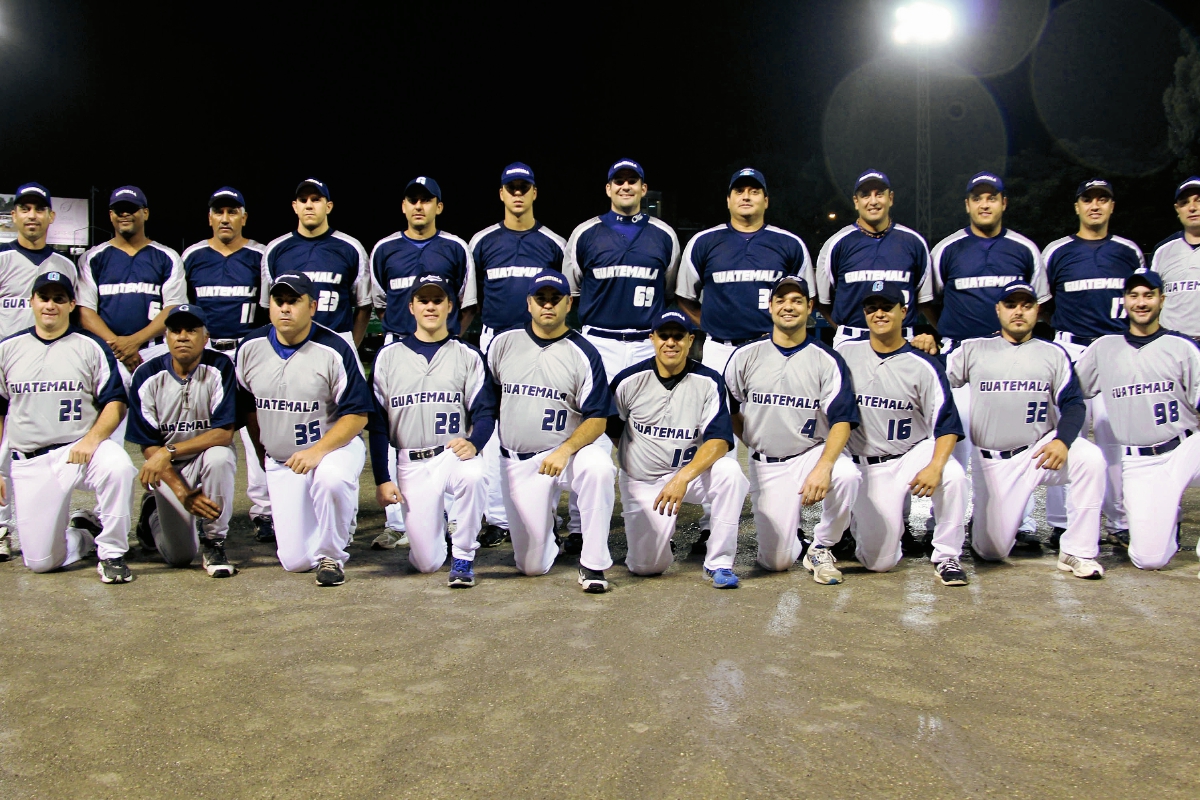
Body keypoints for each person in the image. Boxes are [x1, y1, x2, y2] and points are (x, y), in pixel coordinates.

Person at [675, 168, 813, 551]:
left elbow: (804, 299)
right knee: (715, 433)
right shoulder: (705, 242)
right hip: (720, 348)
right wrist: (714, 322)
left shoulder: (788, 244)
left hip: (770, 349)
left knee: (778, 433)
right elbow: (686, 297)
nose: (747, 197)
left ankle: (789, 518)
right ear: (729, 199)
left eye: (755, 191)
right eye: (740, 191)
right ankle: (710, 522)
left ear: (766, 200)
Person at [947, 281, 1105, 577]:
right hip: (994, 462)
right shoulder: (972, 349)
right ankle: (982, 525)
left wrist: (1063, 441)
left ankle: (1078, 551)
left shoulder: (1053, 353)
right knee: (991, 552)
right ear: (998, 310)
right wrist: (920, 347)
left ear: (1037, 310)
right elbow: (935, 383)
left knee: (1091, 458)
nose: (1018, 311)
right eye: (1010, 305)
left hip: (1039, 451)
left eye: (1026, 305)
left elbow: (1073, 404)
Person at [563, 158, 679, 554]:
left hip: (647, 344)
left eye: (633, 181)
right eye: (619, 181)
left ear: (644, 189)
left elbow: (670, 289)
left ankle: (654, 518)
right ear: (608, 188)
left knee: (651, 432)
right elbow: (572, 293)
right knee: (590, 430)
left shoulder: (663, 235)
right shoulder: (585, 233)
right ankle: (580, 526)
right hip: (600, 343)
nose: (626, 187)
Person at [924, 172, 1048, 542]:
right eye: (977, 198)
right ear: (968, 205)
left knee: (1011, 441)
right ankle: (946, 518)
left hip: (1010, 355)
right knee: (954, 441)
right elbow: (930, 300)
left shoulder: (1024, 249)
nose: (984, 204)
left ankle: (1019, 522)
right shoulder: (947, 249)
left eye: (991, 197)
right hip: (960, 353)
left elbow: (1039, 301)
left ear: (1003, 203)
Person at [823, 283, 968, 585]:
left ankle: (947, 556)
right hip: (865, 463)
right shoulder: (844, 354)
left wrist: (935, 466)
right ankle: (864, 529)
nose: (879, 313)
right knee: (878, 562)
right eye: (871, 308)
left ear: (904, 312)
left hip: (911, 453)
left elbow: (947, 423)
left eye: (886, 307)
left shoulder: (924, 362)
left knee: (952, 476)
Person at [235, 272, 372, 586]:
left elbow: (358, 415)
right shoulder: (250, 347)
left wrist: (317, 452)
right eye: (278, 301)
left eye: (293, 301)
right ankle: (330, 523)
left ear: (311, 306)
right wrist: (262, 453)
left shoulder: (334, 348)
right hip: (283, 461)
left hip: (332, 449)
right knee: (295, 561)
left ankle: (332, 557)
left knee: (332, 480)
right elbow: (246, 407)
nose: (285, 308)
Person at [0, 271, 136, 582]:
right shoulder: (8, 348)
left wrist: (91, 440)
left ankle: (112, 553)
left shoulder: (90, 346)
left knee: (119, 467)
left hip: (81, 450)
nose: (51, 305)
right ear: (31, 302)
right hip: (31, 459)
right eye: (44, 298)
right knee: (42, 562)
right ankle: (85, 535)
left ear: (72, 304)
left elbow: (115, 403)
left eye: (59, 299)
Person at [487, 271, 616, 592]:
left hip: (568, 455)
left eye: (555, 299)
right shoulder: (502, 343)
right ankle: (547, 539)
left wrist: (565, 450)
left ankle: (593, 564)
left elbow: (598, 420)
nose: (548, 305)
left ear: (568, 303)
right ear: (529, 303)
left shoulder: (584, 353)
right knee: (531, 567)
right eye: (540, 299)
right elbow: (486, 402)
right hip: (519, 461)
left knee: (599, 468)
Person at [723, 275, 861, 573]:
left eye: (797, 301)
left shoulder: (827, 359)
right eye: (781, 300)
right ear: (770, 306)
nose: (789, 307)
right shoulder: (745, 355)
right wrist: (753, 438)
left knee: (846, 475)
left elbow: (842, 421)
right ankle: (790, 540)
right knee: (776, 563)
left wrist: (823, 468)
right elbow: (730, 409)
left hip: (811, 452)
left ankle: (822, 545)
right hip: (767, 463)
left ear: (809, 307)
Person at [368, 176, 477, 550]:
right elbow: (380, 302)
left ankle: (450, 521)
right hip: (397, 345)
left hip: (442, 349)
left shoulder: (455, 247)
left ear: (438, 207)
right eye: (412, 200)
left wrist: (446, 341)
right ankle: (397, 523)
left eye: (426, 200)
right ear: (403, 206)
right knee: (398, 431)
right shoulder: (384, 249)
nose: (419, 206)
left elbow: (465, 302)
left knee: (445, 430)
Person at [368, 275, 495, 586]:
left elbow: (486, 410)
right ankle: (435, 532)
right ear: (411, 307)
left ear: (449, 306)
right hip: (410, 462)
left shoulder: (467, 354)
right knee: (426, 563)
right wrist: (383, 480)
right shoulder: (388, 356)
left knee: (475, 475)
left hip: (450, 454)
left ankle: (464, 556)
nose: (430, 306)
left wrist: (476, 442)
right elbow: (377, 423)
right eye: (423, 300)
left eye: (438, 300)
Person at [608, 310, 749, 587]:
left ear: (690, 340)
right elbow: (612, 427)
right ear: (652, 339)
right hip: (644, 480)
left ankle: (718, 563)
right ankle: (660, 539)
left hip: (689, 477)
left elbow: (719, 440)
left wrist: (683, 477)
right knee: (647, 567)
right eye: (664, 335)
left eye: (678, 336)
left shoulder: (709, 380)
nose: (670, 342)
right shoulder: (628, 380)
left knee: (730, 472)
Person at [467, 163, 566, 548]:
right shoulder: (482, 242)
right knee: (492, 425)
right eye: (512, 188)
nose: (518, 194)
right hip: (495, 341)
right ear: (502, 194)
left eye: (525, 188)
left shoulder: (554, 243)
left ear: (534, 193)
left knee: (541, 424)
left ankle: (545, 511)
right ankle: (497, 516)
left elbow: (562, 297)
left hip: (540, 343)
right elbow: (469, 300)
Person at [1075, 270, 1200, 573]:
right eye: (1134, 295)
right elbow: (1070, 390)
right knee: (1149, 559)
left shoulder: (1183, 346)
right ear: (1125, 301)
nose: (1141, 302)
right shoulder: (1104, 348)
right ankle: (1168, 518)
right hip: (1140, 462)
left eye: (1148, 295)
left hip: (1185, 447)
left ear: (1161, 300)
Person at [1042, 179, 1144, 547]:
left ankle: (1118, 521)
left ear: (1112, 206)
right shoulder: (1057, 252)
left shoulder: (1128, 251)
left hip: (1116, 350)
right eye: (1088, 199)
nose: (1095, 205)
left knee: (1112, 432)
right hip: (1069, 349)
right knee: (1062, 433)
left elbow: (1139, 301)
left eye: (1103, 199)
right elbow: (1043, 305)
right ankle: (1059, 522)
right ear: (1077, 207)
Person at [181, 186, 274, 543]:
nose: (225, 218)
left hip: (248, 351)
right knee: (203, 432)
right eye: (219, 211)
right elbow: (184, 310)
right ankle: (193, 505)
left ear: (243, 217)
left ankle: (264, 511)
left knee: (258, 435)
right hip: (207, 356)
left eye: (232, 211)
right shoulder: (193, 256)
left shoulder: (260, 256)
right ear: (209, 217)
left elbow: (269, 310)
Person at [126, 304, 238, 577]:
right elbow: (150, 445)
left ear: (206, 336)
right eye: (175, 331)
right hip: (168, 469)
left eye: (191, 330)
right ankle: (152, 514)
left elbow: (223, 433)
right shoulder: (146, 376)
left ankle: (214, 542)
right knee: (179, 556)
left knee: (220, 457)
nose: (183, 336)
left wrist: (169, 451)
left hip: (201, 456)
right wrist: (181, 492)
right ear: (167, 337)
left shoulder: (220, 366)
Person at [0, 182, 78, 562]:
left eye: (38, 208)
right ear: (13, 216)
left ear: (51, 216)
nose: (31, 215)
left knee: (44, 448)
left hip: (47, 367)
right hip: (7, 366)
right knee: (3, 451)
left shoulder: (65, 265)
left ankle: (59, 521)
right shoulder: (1, 258)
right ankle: (1, 527)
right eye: (24, 208)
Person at [77, 186, 187, 382]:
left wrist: (133, 342)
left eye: (132, 209)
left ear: (145, 213)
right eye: (119, 210)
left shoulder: (167, 256)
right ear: (111, 215)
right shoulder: (92, 258)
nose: (125, 214)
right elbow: (86, 312)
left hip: (155, 350)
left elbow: (173, 308)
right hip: (109, 352)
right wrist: (121, 347)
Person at [815, 170, 932, 348]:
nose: (873, 201)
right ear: (856, 202)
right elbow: (824, 303)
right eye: (865, 195)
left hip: (902, 339)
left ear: (890, 198)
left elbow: (923, 300)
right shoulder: (836, 244)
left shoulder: (913, 242)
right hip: (851, 339)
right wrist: (844, 330)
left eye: (879, 194)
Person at [261, 178, 372, 348]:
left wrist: (351, 346)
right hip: (290, 345)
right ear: (294, 206)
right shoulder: (275, 249)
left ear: (329, 206)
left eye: (316, 199)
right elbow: (267, 306)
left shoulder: (351, 248)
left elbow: (364, 306)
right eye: (303, 200)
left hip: (336, 341)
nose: (309, 205)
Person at [1149, 176, 1200, 340]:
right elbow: (1151, 301)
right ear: (1177, 209)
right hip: (1171, 345)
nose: (1192, 208)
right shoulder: (1162, 251)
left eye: (1198, 200)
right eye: (1185, 202)